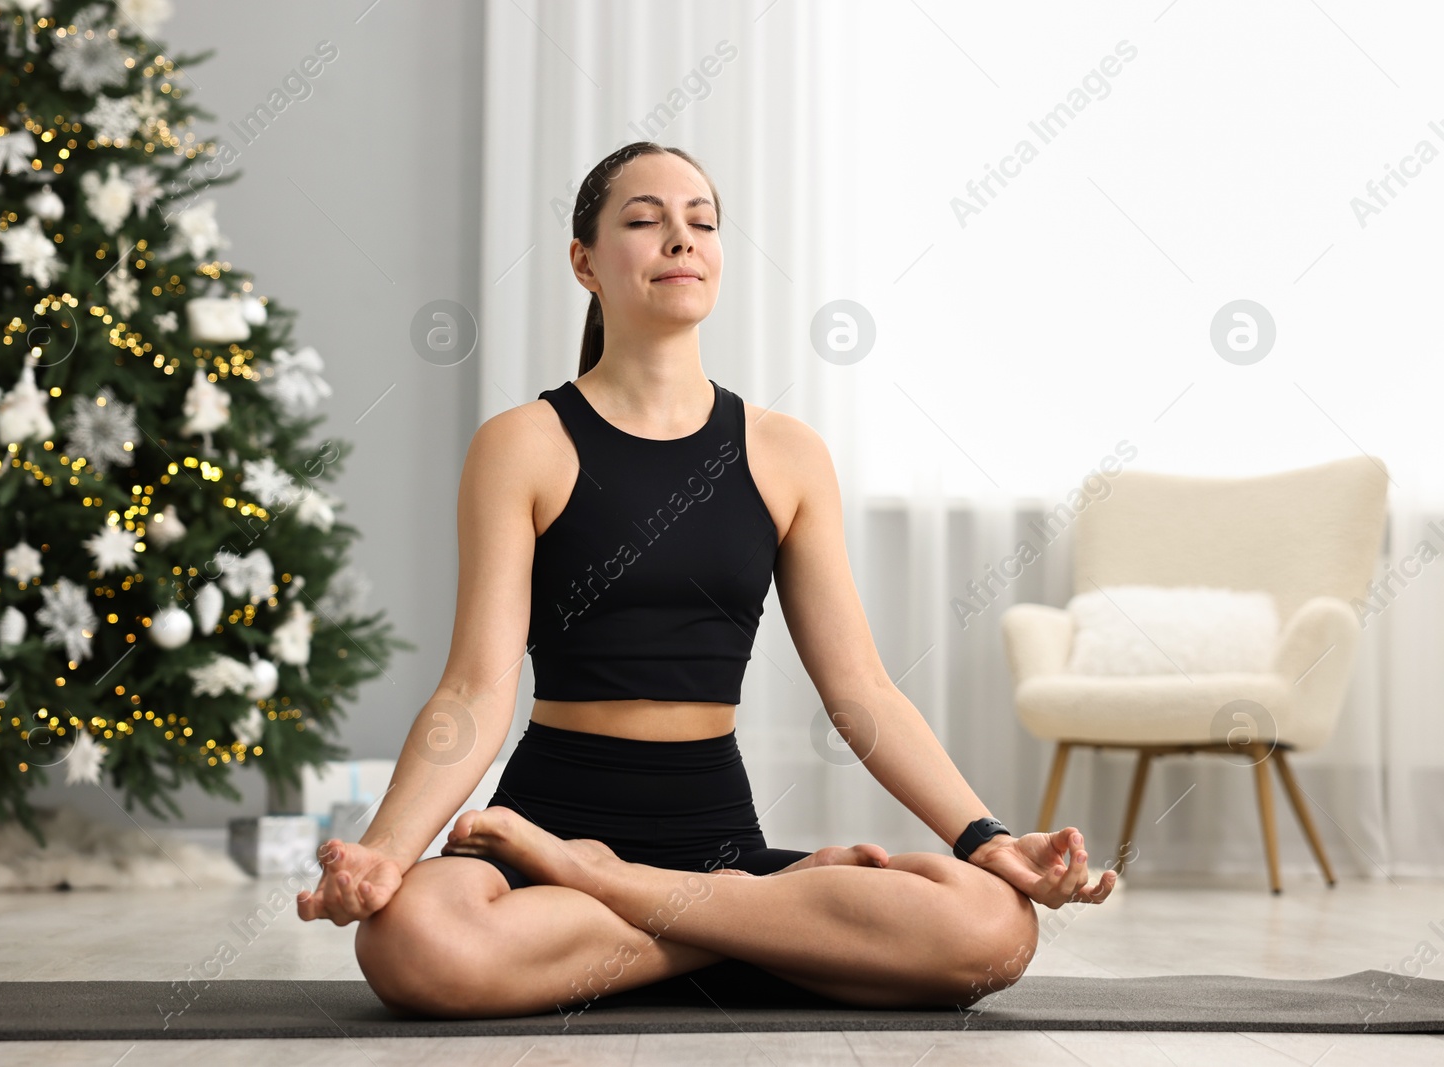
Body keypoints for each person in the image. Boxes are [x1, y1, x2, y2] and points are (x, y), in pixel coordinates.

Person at [296, 141, 1115, 1019]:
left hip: (712, 835)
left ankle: (619, 892)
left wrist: (986, 840)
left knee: (995, 930)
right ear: (586, 262)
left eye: (702, 223)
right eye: (645, 221)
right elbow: (474, 687)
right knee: (413, 944)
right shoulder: (523, 443)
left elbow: (863, 693)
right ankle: (747, 928)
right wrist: (387, 849)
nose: (680, 240)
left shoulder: (787, 452)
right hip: (549, 817)